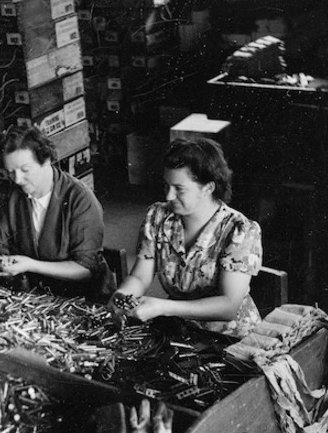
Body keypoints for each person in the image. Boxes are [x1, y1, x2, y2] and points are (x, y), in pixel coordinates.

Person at [109, 137, 263, 338]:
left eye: (179, 189)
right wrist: (123, 294)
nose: (169, 196)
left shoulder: (239, 230)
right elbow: (140, 276)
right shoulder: (157, 216)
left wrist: (164, 307)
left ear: (208, 188)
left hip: (232, 338)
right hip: (179, 329)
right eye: (166, 186)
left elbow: (228, 305)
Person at [0, 127, 105, 294]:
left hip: (78, 297)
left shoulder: (80, 199)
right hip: (32, 293)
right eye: (11, 172)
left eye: (25, 170)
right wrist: (0, 258)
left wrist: (30, 264)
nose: (17, 179)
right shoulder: (12, 196)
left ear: (46, 160)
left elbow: (86, 269)